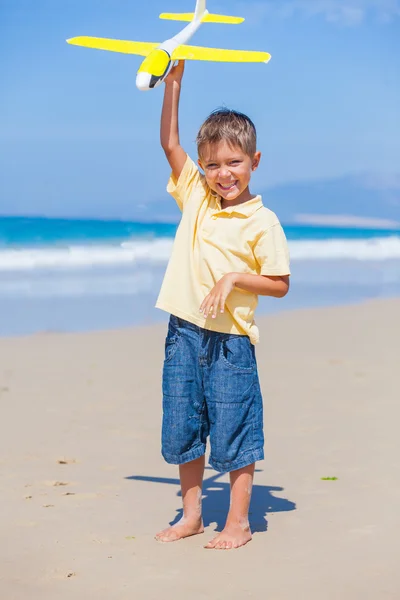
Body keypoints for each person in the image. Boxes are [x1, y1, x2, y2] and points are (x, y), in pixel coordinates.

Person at [154, 61, 291, 550]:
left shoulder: (263, 221)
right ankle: (191, 516)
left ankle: (238, 522)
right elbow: (170, 143)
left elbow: (279, 284)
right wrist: (174, 83)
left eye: (233, 162)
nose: (222, 174)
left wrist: (233, 277)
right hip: (184, 331)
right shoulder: (196, 196)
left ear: (255, 160)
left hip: (231, 342)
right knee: (181, 424)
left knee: (234, 428)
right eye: (212, 164)